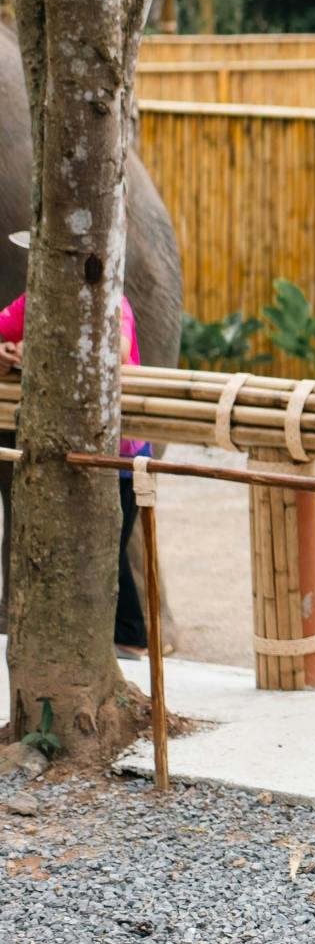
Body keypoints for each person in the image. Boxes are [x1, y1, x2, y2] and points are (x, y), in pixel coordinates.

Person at [0, 230, 154, 658]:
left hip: (120, 451)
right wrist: (8, 350)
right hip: (67, 446)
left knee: (107, 544)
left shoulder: (111, 302)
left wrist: (34, 347)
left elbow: (118, 351)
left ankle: (129, 637)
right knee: (76, 545)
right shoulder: (32, 303)